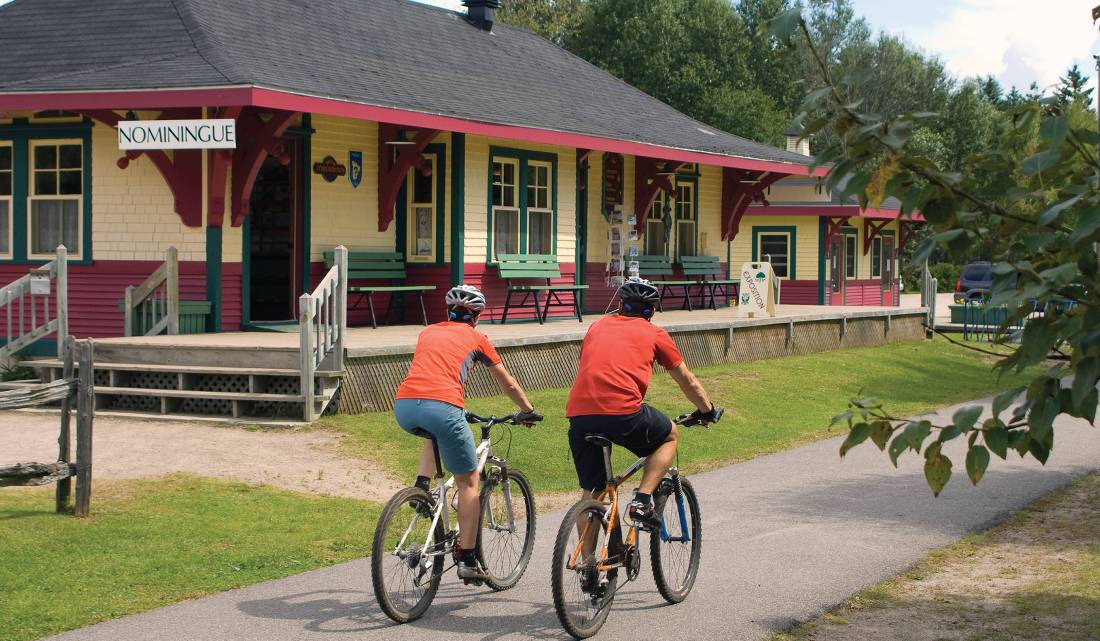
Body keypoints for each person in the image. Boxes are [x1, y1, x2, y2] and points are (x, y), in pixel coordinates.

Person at [394, 284, 542, 582]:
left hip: (405, 405)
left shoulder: (428, 331)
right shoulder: (478, 338)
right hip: (444, 406)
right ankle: (469, 558)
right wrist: (527, 409)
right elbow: (507, 383)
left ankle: (422, 488)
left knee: (432, 433)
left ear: (448, 312)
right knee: (469, 482)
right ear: (476, 316)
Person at [566, 278, 721, 530]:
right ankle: (641, 500)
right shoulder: (655, 333)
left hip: (580, 416)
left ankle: (587, 565)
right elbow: (687, 380)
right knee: (669, 434)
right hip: (623, 413)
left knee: (593, 494)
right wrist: (707, 410)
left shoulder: (596, 326)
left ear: (620, 304)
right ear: (652, 310)